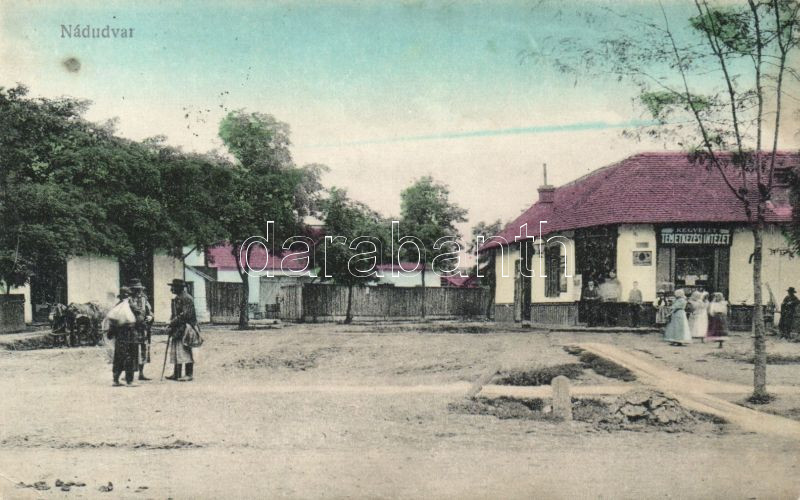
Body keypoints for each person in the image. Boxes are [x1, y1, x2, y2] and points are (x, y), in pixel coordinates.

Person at [166, 279, 197, 382]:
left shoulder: (187, 298)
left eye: (173, 287)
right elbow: (175, 313)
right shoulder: (177, 298)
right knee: (176, 349)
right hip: (177, 328)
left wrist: (173, 322)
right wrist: (171, 323)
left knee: (185, 350)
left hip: (186, 328)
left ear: (179, 288)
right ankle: (177, 373)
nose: (171, 289)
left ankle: (189, 374)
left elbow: (185, 315)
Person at [108, 287, 139, 386]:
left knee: (119, 356)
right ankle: (129, 381)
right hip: (130, 334)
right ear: (129, 296)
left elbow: (112, 321)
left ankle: (115, 380)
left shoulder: (117, 306)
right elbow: (139, 317)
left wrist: (111, 333)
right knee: (130, 356)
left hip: (119, 335)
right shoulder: (131, 305)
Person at [128, 279, 154, 381]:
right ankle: (129, 374)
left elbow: (149, 311)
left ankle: (141, 373)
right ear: (131, 290)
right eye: (135, 289)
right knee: (131, 351)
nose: (138, 291)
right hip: (131, 329)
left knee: (143, 350)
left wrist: (150, 316)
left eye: (139, 289)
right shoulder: (128, 300)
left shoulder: (144, 299)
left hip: (143, 328)